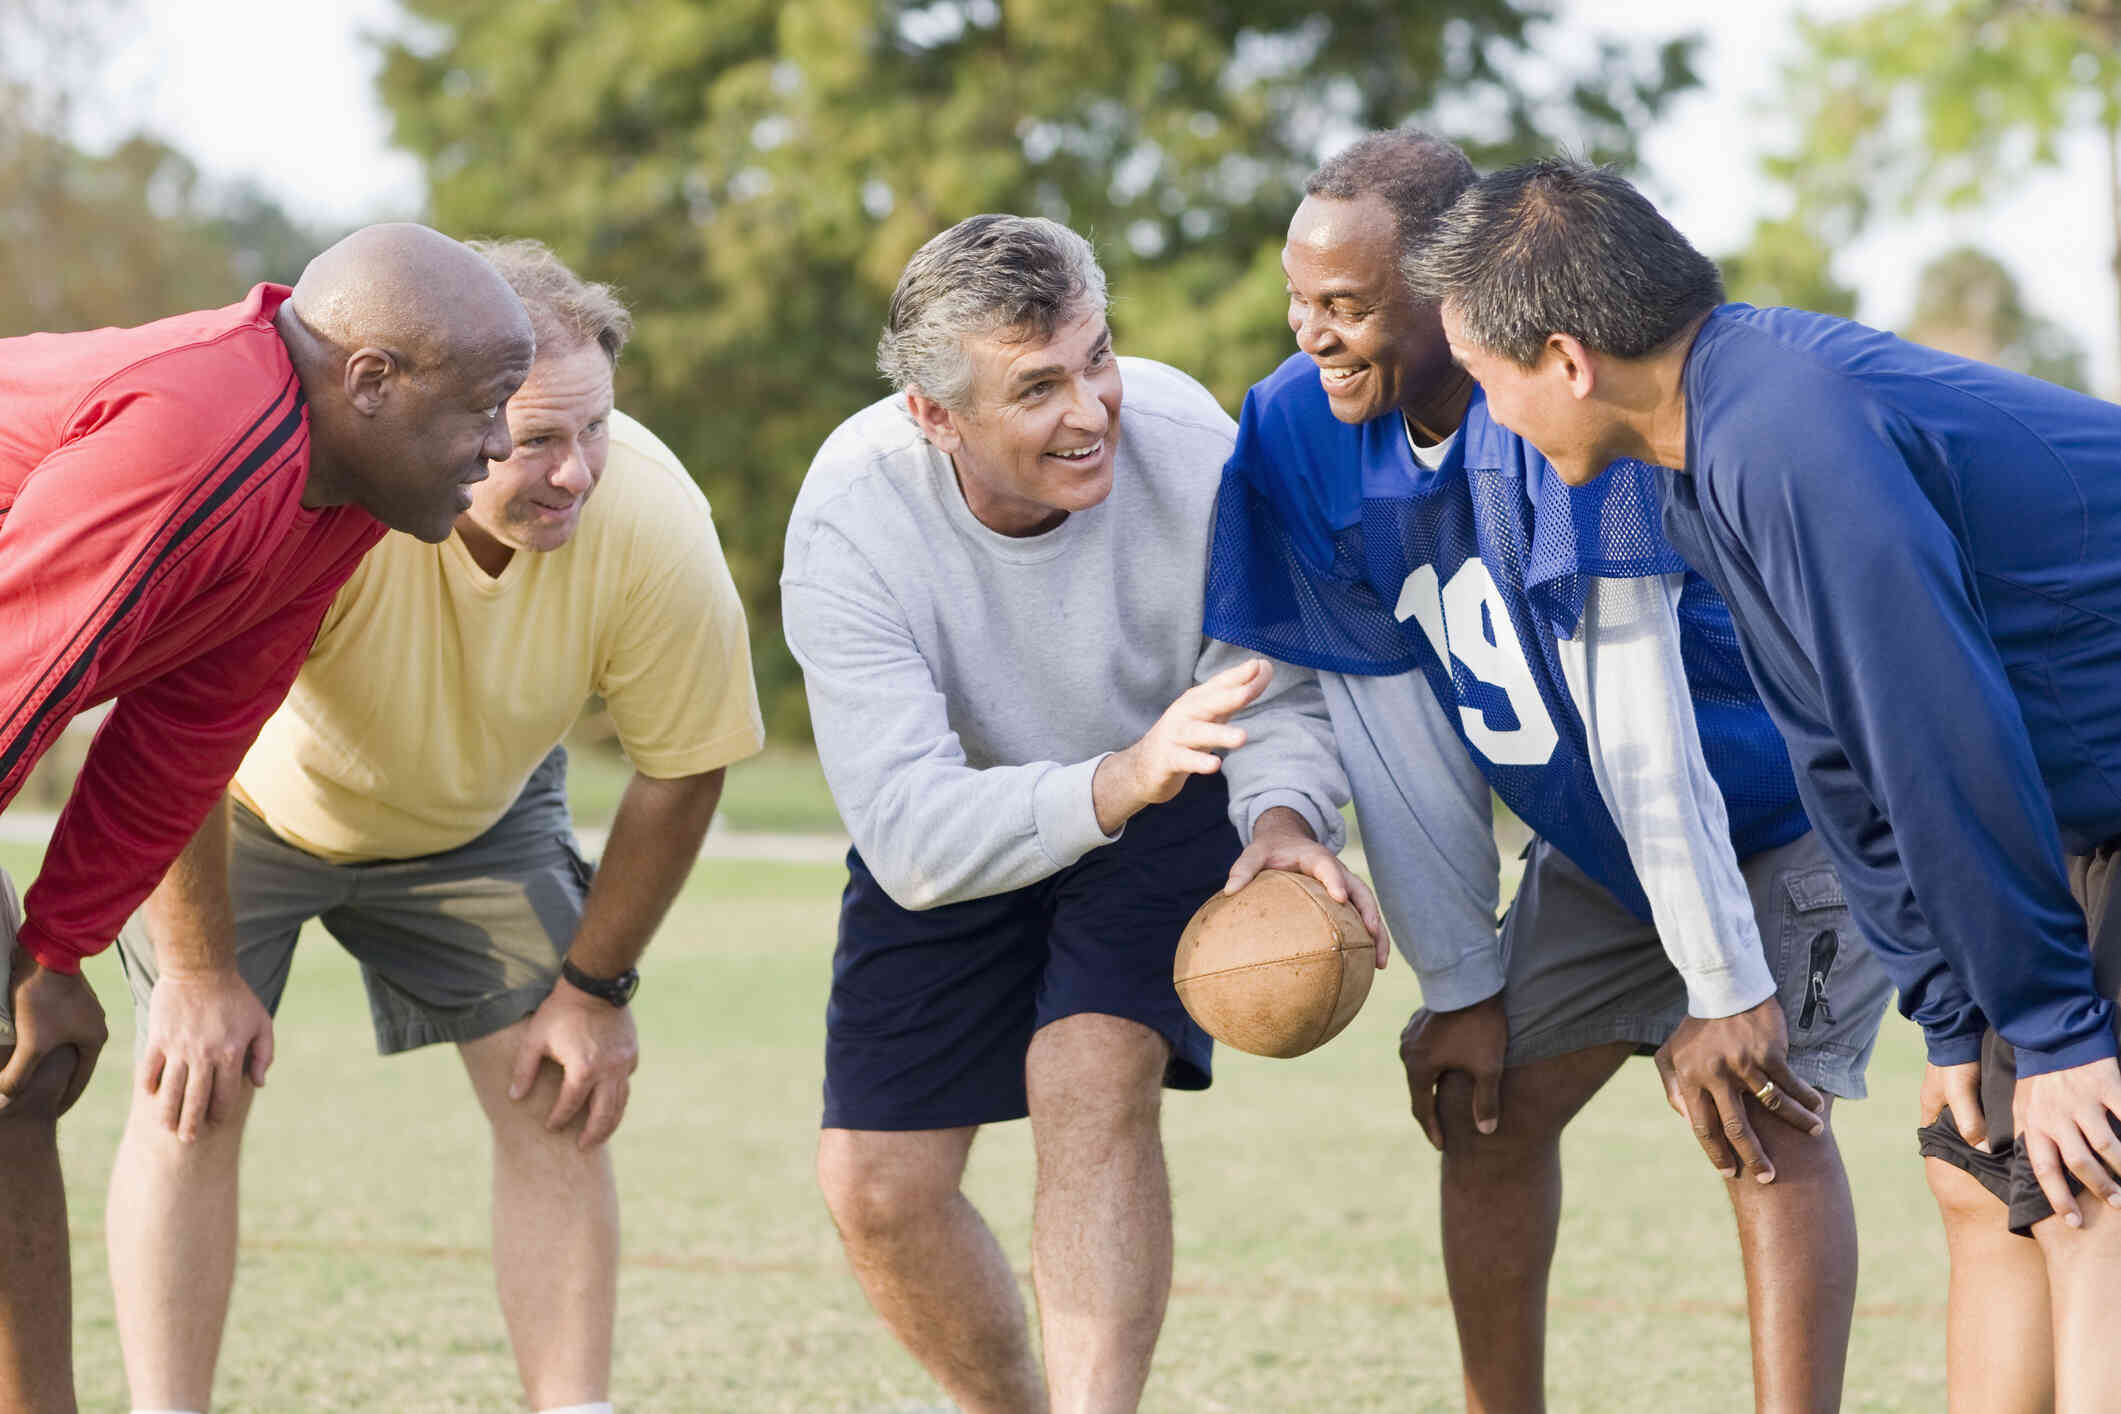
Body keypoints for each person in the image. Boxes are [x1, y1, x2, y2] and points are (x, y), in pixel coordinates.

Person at [1417, 155, 2121, 1413]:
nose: (1491, 418)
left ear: (1568, 360)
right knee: (1994, 1169)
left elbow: (1937, 733)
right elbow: (1838, 753)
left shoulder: (1789, 433)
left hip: (2086, 807)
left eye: (1487, 379)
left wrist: (2060, 1027)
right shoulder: (1704, 456)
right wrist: (1952, 1008)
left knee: (2093, 1198)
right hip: (2077, 821)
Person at [1203, 129, 1892, 1413]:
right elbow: (1383, 716)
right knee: (1486, 1099)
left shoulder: (1563, 402)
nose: (1312, 333)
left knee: (1758, 1118)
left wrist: (1725, 975)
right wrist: (1460, 980)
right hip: (1605, 832)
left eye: (1346, 306)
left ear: (1446, 295)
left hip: (1786, 799)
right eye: (1299, 299)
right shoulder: (1296, 429)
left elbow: (1638, 708)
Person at [102, 240, 763, 1414]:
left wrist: (595, 990)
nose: (576, 473)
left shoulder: (653, 523)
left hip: (484, 813)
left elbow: (683, 769)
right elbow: (172, 734)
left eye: (596, 428)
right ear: (457, 419)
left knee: (555, 1093)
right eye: (539, 438)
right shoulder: (326, 494)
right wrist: (197, 972)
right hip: (247, 806)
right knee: (187, 1087)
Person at [782, 214, 1373, 1414]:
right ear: (935, 416)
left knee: (1088, 1069)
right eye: (1037, 386)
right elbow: (905, 829)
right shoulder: (851, 516)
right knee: (878, 1188)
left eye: (1095, 356)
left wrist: (1278, 820)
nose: (1092, 406)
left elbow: (1276, 683)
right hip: (971, 808)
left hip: (1170, 784)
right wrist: (1114, 779)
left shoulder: (1194, 449)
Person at [0, 223, 532, 1414]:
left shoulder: (341, 489)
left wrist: (53, 947)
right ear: (373, 380)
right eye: (487, 406)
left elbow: (184, 728)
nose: (501, 443)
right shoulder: (199, 443)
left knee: (21, 1067)